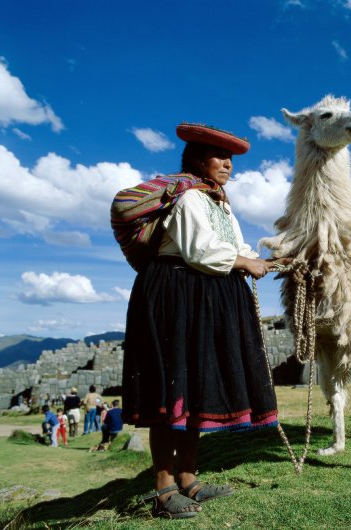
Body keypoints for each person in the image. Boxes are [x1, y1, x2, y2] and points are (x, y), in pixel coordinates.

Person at [121, 123, 289, 519]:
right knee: (172, 388)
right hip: (176, 297)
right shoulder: (187, 198)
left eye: (230, 159)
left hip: (206, 299)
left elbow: (233, 247)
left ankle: (188, 478)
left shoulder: (220, 203)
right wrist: (244, 262)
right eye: (220, 157)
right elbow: (200, 251)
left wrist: (269, 260)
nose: (228, 165)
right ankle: (162, 489)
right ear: (197, 159)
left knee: (196, 388)